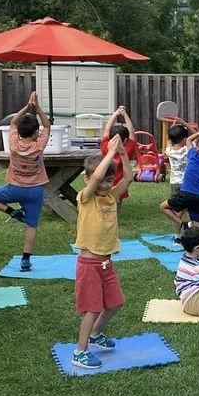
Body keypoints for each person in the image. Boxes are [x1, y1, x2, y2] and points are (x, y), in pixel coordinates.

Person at [70, 136, 133, 370]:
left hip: (106, 263)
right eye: (101, 180)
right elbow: (96, 177)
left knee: (115, 303)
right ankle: (80, 351)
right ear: (87, 180)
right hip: (89, 264)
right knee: (92, 308)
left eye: (109, 180)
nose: (105, 184)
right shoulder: (85, 198)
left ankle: (96, 334)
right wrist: (110, 152)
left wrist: (123, 154)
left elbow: (128, 177)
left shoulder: (111, 197)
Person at [0, 92, 50, 272]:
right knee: (31, 225)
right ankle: (25, 260)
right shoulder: (39, 145)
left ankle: (13, 213)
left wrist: (26, 107)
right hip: (35, 190)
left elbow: (13, 122)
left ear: (19, 132)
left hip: (14, 189)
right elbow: (47, 124)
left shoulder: (13, 143)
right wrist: (37, 108)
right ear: (36, 133)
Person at [100, 105, 140, 214]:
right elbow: (131, 131)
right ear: (126, 140)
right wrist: (124, 114)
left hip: (103, 187)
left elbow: (107, 129)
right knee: (115, 211)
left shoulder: (105, 147)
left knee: (103, 211)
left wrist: (116, 113)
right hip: (119, 187)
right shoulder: (128, 149)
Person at [164, 122, 198, 196]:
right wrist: (184, 123)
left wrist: (173, 125)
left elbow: (168, 138)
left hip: (174, 183)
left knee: (176, 204)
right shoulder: (188, 150)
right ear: (185, 139)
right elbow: (197, 135)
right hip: (187, 182)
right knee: (186, 203)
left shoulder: (169, 151)